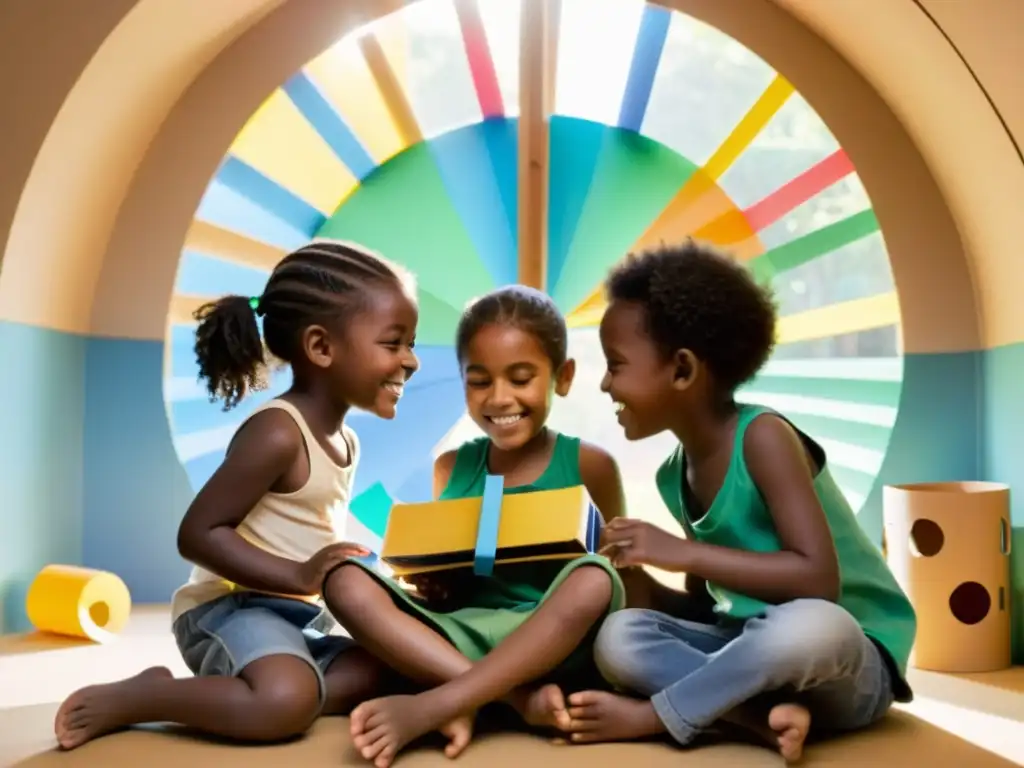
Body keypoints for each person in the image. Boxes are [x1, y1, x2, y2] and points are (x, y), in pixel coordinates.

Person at [53, 240, 421, 749]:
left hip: (295, 618)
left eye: (412, 343)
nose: (412, 361)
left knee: (391, 666)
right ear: (320, 347)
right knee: (284, 704)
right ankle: (154, 695)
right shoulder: (278, 432)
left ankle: (269, 689)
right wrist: (299, 574)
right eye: (394, 343)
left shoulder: (346, 441)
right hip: (231, 610)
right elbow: (198, 534)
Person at [562, 241, 917, 763]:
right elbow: (711, 608)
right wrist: (640, 587)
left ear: (682, 370)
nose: (605, 383)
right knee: (620, 637)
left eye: (616, 365)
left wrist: (679, 552)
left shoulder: (764, 437)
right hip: (752, 660)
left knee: (814, 626)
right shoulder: (673, 474)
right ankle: (762, 722)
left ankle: (660, 715)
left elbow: (819, 581)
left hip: (847, 664)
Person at [321, 285, 628, 768]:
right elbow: (452, 573)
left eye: (521, 378)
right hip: (461, 634)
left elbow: (616, 574)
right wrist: (435, 580)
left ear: (562, 376)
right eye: (479, 381)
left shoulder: (591, 464)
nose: (500, 398)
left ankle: (441, 702)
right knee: (343, 578)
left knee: (594, 579)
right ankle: (508, 700)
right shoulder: (450, 467)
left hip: (548, 643)